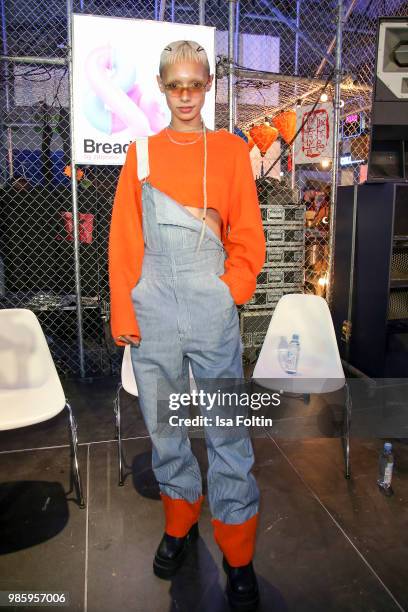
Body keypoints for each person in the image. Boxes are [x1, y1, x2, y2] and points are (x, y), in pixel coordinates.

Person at [108, 40, 265, 611]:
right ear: (160, 86)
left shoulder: (227, 152)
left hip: (210, 301)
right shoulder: (141, 154)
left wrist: (232, 290)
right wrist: (124, 308)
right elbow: (125, 237)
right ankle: (180, 526)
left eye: (195, 84)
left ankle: (238, 551)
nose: (185, 96)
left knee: (227, 428)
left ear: (208, 86)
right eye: (175, 85)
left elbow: (247, 230)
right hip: (152, 302)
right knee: (164, 425)